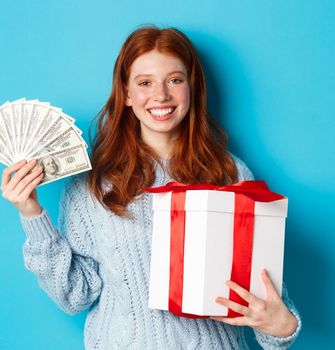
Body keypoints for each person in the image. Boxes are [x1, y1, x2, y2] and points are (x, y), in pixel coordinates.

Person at [0, 26, 301, 349]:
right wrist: (32, 214)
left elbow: (263, 302)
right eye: (145, 83)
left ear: (191, 87)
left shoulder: (229, 172)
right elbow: (76, 296)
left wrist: (284, 325)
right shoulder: (92, 184)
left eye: (174, 80)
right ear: (127, 94)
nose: (161, 95)